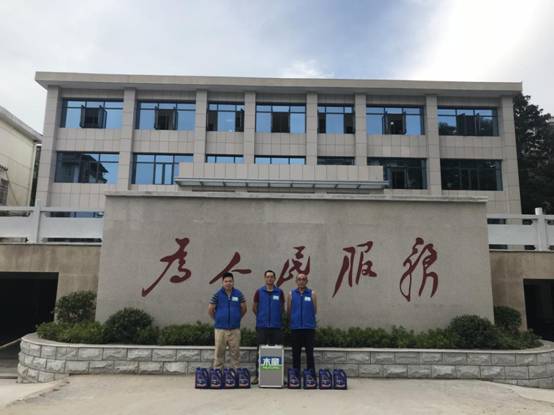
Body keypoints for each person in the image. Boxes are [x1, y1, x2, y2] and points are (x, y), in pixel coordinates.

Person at [208, 272, 247, 369]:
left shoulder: (238, 294)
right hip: (220, 329)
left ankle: (235, 373)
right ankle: (218, 373)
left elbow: (244, 308)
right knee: (219, 354)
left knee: (235, 353)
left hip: (234, 329)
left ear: (233, 282)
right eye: (226, 281)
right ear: (222, 283)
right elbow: (210, 309)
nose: (228, 283)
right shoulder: (217, 295)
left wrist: (237, 317)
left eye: (230, 281)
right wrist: (218, 318)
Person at [252, 269, 285, 384]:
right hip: (262, 326)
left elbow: (282, 308)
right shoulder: (259, 292)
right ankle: (258, 376)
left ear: (274, 279)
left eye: (272, 277)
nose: (270, 278)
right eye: (268, 277)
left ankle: (276, 376)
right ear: (265, 278)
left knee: (276, 351)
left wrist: (276, 318)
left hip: (276, 326)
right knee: (260, 351)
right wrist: (261, 317)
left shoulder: (279, 292)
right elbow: (254, 308)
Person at [287, 273, 317, 373]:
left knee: (310, 353)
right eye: (299, 279)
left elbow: (314, 310)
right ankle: (296, 374)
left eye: (303, 279)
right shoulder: (291, 294)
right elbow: (289, 311)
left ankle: (311, 374)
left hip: (309, 328)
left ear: (306, 281)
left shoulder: (312, 293)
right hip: (295, 328)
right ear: (296, 281)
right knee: (296, 353)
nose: (301, 281)